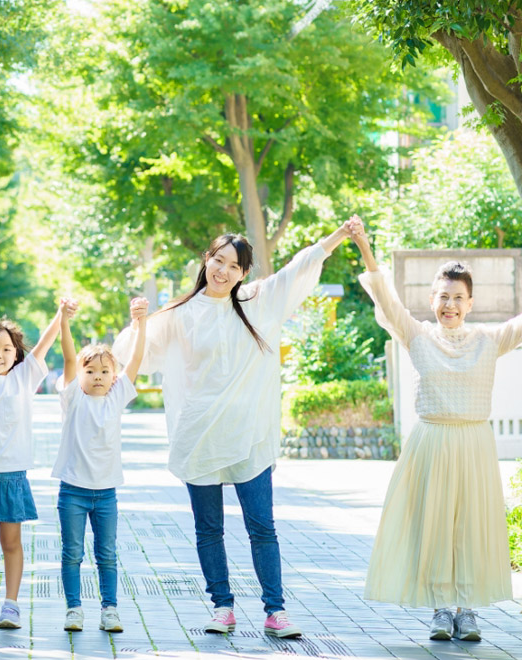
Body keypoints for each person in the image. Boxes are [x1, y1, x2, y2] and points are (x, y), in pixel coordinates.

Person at [113, 226, 348, 638]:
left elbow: (298, 269)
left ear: (243, 273)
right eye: (218, 260)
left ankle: (275, 611)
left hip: (248, 435)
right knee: (209, 529)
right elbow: (136, 354)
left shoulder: (257, 302)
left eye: (234, 266)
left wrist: (339, 236)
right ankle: (222, 608)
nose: (223, 270)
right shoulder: (180, 314)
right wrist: (138, 324)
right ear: (207, 259)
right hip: (200, 435)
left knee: (262, 526)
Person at [347, 216, 520, 642]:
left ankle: (469, 611)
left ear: (471, 303)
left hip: (475, 442)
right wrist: (364, 245)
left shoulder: (489, 339)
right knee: (437, 525)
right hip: (431, 441)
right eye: (444, 296)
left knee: (471, 526)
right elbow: (386, 299)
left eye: (458, 298)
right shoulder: (417, 335)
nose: (450, 305)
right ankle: (442, 610)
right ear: (432, 299)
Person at [0, 262, 71, 630]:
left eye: (6, 348)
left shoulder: (24, 377)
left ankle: (11, 605)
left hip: (12, 474)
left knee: (11, 542)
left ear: (17, 354)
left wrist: (60, 314)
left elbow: (47, 343)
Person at [53, 296, 148, 633]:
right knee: (72, 554)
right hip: (73, 493)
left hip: (106, 494)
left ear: (113, 377)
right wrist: (63, 319)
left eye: (105, 371)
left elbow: (135, 358)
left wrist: (140, 322)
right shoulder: (73, 397)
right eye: (90, 370)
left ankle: (110, 609)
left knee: (107, 554)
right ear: (80, 375)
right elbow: (67, 355)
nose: (97, 376)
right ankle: (74, 609)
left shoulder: (117, 397)